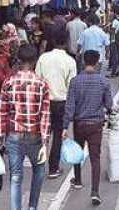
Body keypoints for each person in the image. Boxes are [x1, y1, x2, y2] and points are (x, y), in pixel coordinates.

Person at [0, 45, 51, 210]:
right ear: (35, 61)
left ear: (18, 61)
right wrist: (45, 140)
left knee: (15, 176)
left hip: (14, 135)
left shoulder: (8, 82)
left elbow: (3, 112)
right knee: (39, 171)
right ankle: (33, 207)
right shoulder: (42, 84)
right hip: (35, 135)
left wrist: (0, 135)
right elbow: (45, 114)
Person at [62, 51, 113, 207]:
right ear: (97, 62)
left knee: (78, 152)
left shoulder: (75, 81)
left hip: (80, 124)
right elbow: (109, 105)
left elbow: (70, 106)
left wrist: (65, 126)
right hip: (96, 124)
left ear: (84, 62)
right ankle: (95, 192)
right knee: (95, 158)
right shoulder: (103, 81)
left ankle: (77, 180)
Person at [35, 30, 77, 179]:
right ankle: (53, 168)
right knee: (58, 136)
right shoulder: (70, 61)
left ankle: (38, 166)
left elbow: (37, 80)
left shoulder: (43, 58)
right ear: (66, 42)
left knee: (42, 134)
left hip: (44, 101)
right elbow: (71, 86)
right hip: (61, 102)